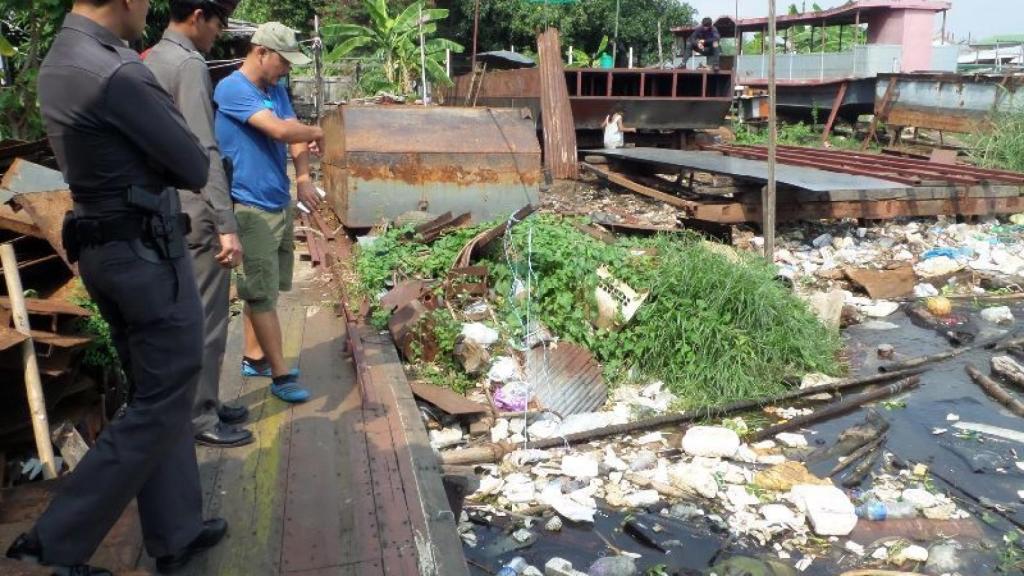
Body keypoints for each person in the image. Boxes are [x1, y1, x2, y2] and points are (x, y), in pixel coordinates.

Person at [5, 0, 226, 573]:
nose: (149, 8)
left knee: (161, 389)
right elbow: (191, 165)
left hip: (109, 250)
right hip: (147, 256)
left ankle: (176, 532)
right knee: (164, 392)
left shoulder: (61, 57)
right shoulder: (117, 72)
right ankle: (56, 541)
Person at [145, 0, 255, 448]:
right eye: (217, 24)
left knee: (187, 314)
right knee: (207, 318)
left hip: (167, 208)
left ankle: (203, 399)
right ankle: (201, 414)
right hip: (196, 210)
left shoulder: (152, 59)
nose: (218, 34)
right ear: (196, 17)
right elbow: (203, 149)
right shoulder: (187, 65)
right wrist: (225, 221)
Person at [214, 21, 323, 403]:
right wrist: (320, 132)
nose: (288, 69)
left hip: (277, 200)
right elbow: (279, 131)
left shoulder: (275, 90)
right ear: (261, 52)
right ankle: (280, 375)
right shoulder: (231, 89)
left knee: (266, 289)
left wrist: (305, 178)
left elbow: (292, 132)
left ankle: (254, 357)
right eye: (284, 61)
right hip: (249, 206)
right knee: (259, 293)